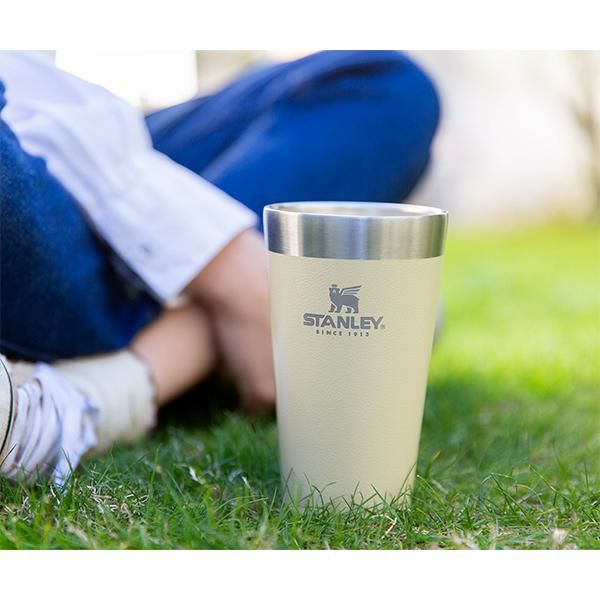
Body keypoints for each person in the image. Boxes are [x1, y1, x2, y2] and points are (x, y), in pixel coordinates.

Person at [0, 50, 440, 484]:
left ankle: (107, 387)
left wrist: (225, 263)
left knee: (387, 90)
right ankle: (104, 394)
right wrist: (224, 264)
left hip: (70, 136)